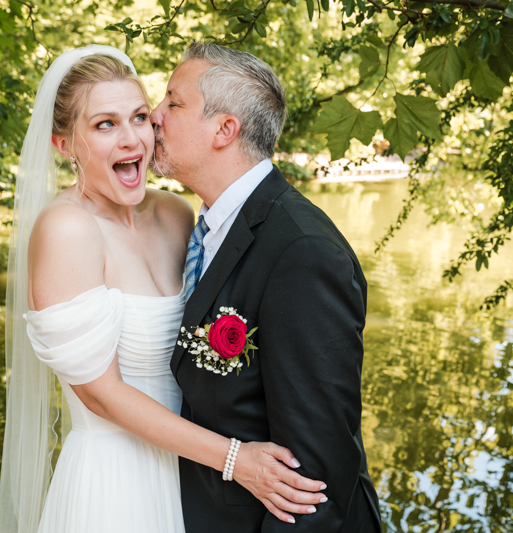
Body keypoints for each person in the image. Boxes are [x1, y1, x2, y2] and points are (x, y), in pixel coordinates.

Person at [0, 45, 326, 533]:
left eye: (137, 117)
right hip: (117, 482)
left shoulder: (176, 214)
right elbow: (101, 394)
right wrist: (236, 459)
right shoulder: (66, 230)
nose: (132, 140)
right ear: (64, 145)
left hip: (196, 476)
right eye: (104, 124)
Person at [150, 42, 383, 532]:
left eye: (173, 102)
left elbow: (312, 478)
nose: (155, 115)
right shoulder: (208, 226)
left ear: (224, 129)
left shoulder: (302, 253)